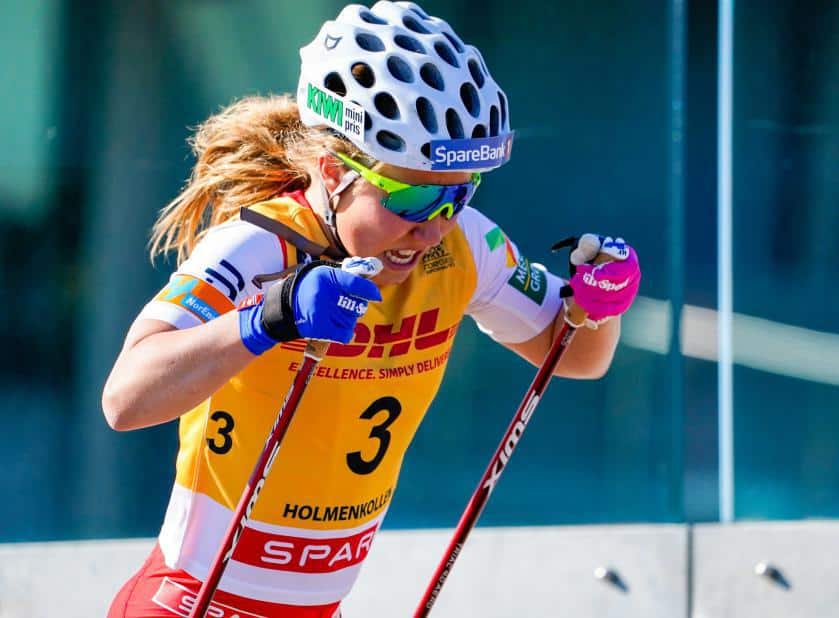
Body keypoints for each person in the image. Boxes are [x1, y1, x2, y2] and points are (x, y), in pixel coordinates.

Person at [102, 2, 641, 616]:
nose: (433, 228)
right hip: (190, 600)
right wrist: (270, 317)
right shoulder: (260, 245)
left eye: (459, 194)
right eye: (411, 200)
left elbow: (575, 357)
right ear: (334, 171)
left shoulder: (462, 246)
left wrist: (601, 305)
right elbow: (126, 399)